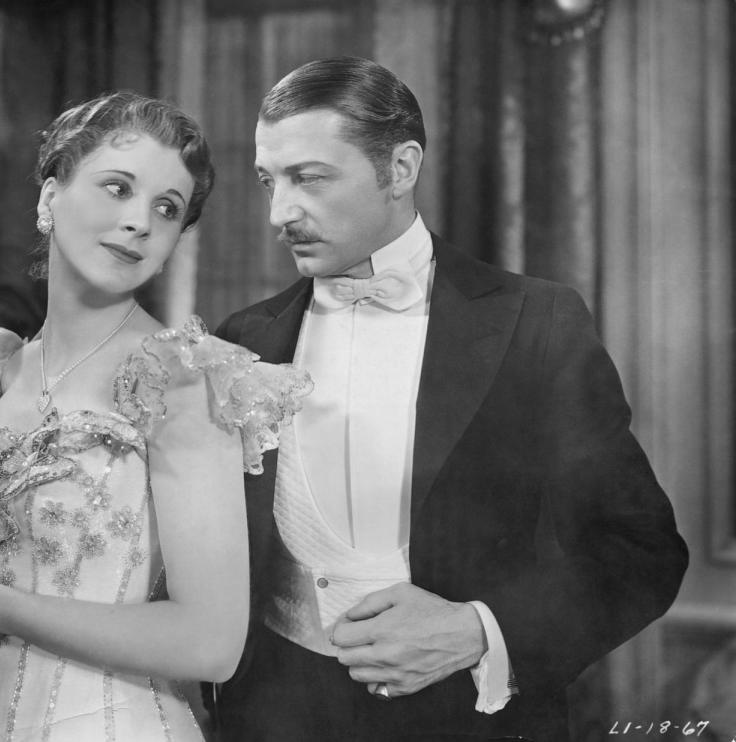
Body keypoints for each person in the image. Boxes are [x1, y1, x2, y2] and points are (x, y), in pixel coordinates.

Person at [204, 57, 688, 741]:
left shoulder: (536, 322)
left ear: (400, 169)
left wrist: (478, 630)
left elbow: (642, 551)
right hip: (273, 721)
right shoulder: (242, 340)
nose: (281, 213)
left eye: (309, 177)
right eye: (268, 181)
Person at [0, 91, 310, 741]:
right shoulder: (2, 372)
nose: (139, 222)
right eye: (117, 188)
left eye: (166, 208)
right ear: (48, 201)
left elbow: (210, 642)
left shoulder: (178, 378)